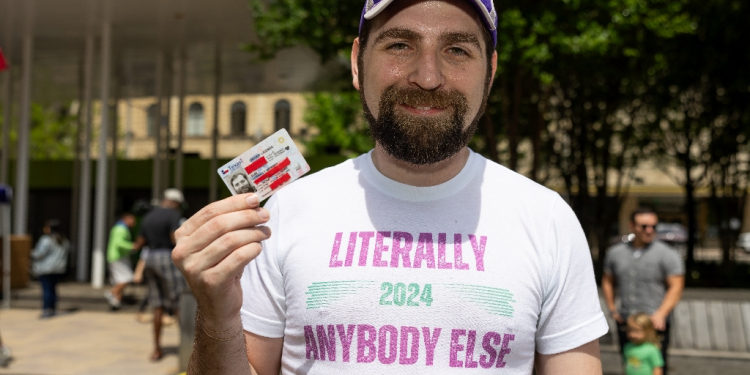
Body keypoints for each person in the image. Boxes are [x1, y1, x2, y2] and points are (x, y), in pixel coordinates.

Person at [172, 0, 609, 374]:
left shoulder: (546, 218)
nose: (428, 76)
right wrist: (216, 314)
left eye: (457, 49)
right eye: (400, 44)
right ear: (357, 63)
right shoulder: (283, 212)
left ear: (490, 72)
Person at [602, 207, 685, 373]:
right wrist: (612, 309)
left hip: (653, 322)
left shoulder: (667, 254)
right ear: (631, 226)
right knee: (631, 363)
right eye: (644, 226)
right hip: (626, 320)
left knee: (655, 365)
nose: (649, 231)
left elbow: (676, 285)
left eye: (653, 226)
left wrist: (662, 313)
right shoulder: (615, 252)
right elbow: (607, 281)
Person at [133, 188, 186, 361]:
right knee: (179, 302)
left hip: (150, 258)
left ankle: (156, 349)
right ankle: (188, 347)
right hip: (167, 257)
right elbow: (174, 238)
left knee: (157, 305)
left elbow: (140, 242)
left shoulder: (149, 216)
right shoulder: (173, 215)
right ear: (175, 202)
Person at [30, 220, 70, 319]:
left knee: (47, 290)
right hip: (58, 268)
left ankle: (47, 309)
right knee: (53, 289)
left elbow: (39, 254)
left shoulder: (46, 240)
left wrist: (30, 253)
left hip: (46, 269)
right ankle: (52, 308)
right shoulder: (64, 240)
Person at [104, 212, 137, 309]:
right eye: (132, 220)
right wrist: (132, 246)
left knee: (118, 280)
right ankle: (111, 293)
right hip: (118, 257)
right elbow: (119, 243)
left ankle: (116, 301)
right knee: (127, 278)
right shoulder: (121, 228)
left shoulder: (119, 227)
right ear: (126, 218)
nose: (134, 222)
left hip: (117, 256)